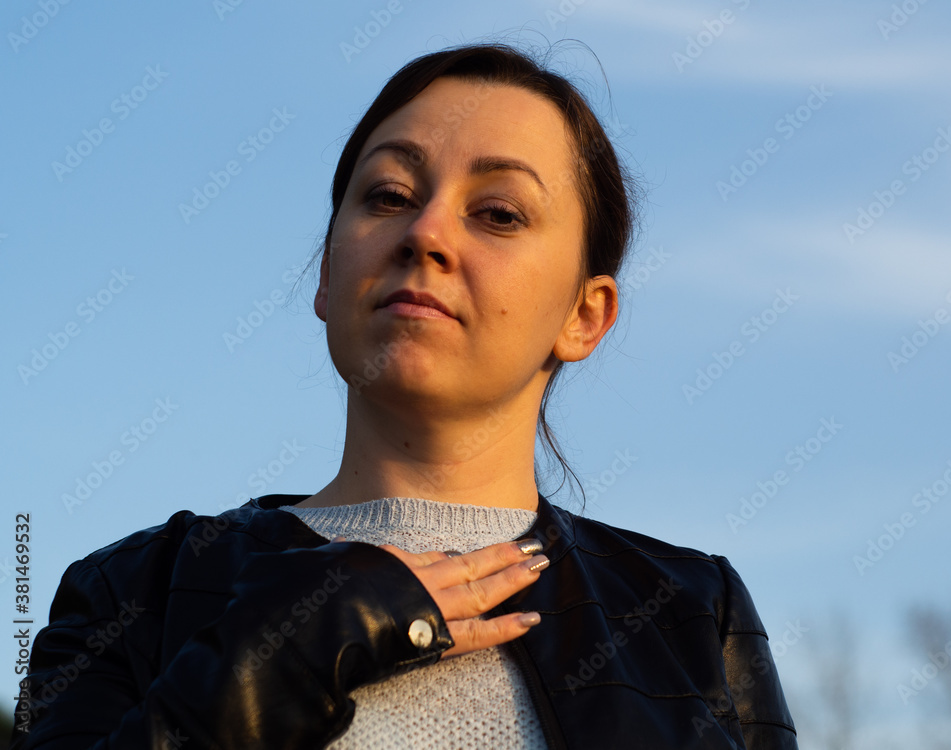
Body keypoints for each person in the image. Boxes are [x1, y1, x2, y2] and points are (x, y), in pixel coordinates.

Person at [12, 43, 798, 749]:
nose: (425, 233)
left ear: (584, 316)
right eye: (389, 196)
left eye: (498, 213)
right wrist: (275, 663)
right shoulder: (135, 587)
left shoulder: (692, 611)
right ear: (328, 276)